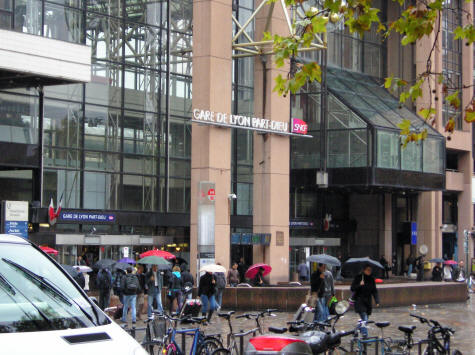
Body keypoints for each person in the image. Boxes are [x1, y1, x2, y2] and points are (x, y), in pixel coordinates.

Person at [350, 265, 380, 337]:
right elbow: (352, 288)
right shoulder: (358, 278)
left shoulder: (371, 279)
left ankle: (356, 330)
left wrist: (377, 301)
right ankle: (365, 336)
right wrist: (360, 285)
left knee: (365, 320)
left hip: (368, 303)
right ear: (364, 270)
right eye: (368, 270)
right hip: (359, 301)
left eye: (370, 270)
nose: (369, 271)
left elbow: (374, 291)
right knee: (364, 319)